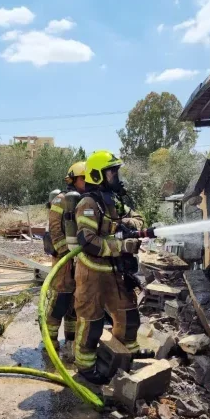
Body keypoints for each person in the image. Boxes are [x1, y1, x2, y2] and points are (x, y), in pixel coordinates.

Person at [73, 150, 145, 384]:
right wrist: (121, 245)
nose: (116, 174)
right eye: (111, 171)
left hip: (116, 272)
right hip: (92, 273)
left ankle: (127, 356)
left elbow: (139, 218)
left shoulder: (116, 199)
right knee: (91, 323)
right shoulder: (88, 203)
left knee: (129, 315)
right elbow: (88, 241)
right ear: (97, 175)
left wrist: (128, 224)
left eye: (116, 170)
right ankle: (85, 367)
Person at [44, 161, 86, 362]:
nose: (87, 182)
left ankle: (70, 339)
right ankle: (50, 342)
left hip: (80, 259)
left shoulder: (85, 200)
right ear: (73, 179)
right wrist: (65, 254)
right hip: (64, 260)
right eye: (83, 178)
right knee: (60, 299)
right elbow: (54, 228)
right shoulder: (61, 200)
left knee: (74, 303)